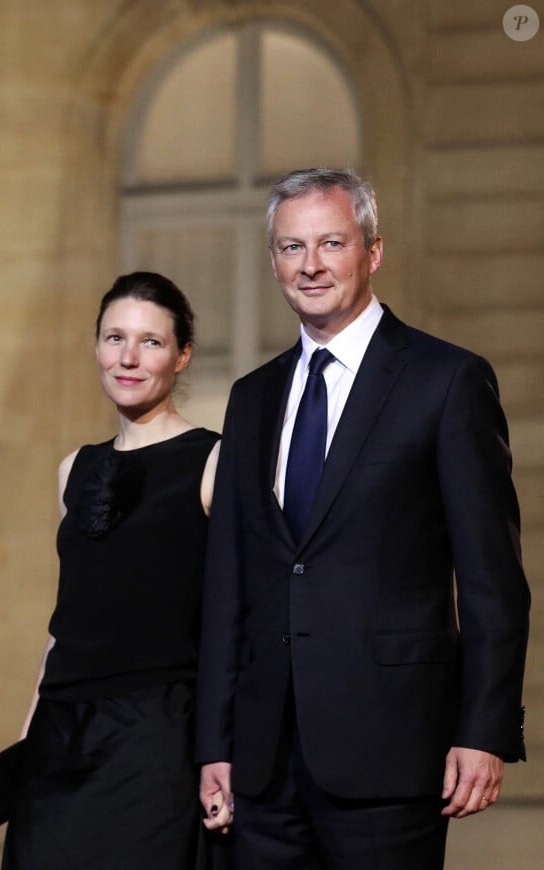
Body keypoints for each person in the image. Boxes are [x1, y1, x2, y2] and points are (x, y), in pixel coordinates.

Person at [196, 168, 530, 869]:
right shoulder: (251, 399)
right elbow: (229, 584)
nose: (310, 265)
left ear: (373, 252)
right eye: (291, 247)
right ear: (274, 260)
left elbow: (492, 577)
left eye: (331, 243)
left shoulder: (446, 381)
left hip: (391, 752)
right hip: (261, 765)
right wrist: (215, 745)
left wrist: (485, 729)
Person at [0, 272, 222, 869]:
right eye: (113, 337)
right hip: (59, 735)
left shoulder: (213, 460)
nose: (127, 357)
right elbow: (70, 615)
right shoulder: (76, 468)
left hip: (157, 736)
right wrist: (29, 729)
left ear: (182, 356)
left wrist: (222, 752)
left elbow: (240, 615)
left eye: (150, 342)